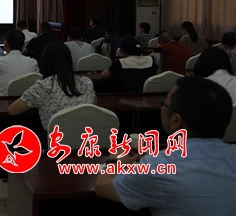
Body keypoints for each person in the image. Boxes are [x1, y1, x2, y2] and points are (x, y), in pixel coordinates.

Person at [95, 77, 235, 215]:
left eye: (164, 103)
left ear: (175, 120)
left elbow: (102, 187)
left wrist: (116, 161)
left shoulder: (157, 168)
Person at [8, 41, 96, 131]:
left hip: (57, 138)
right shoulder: (86, 82)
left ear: (45, 62)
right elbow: (94, 105)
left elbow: (12, 111)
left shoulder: (42, 87)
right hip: (87, 136)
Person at [0, 29, 40, 96]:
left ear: (5, 44)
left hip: (4, 102)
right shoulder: (33, 63)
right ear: (23, 46)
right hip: (27, 102)